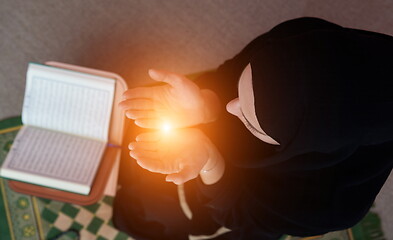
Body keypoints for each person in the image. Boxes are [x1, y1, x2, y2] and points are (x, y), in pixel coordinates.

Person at [112, 17, 393, 240]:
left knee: (185, 216)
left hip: (239, 201)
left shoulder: (332, 206)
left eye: (250, 122)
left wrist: (209, 160)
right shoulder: (300, 35)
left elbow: (240, 214)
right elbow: (227, 76)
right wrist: (207, 104)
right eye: (240, 89)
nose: (230, 109)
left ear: (306, 147)